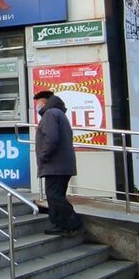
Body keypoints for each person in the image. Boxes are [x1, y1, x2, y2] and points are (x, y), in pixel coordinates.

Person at [34, 89, 84, 235]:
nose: (37, 106)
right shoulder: (59, 114)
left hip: (55, 165)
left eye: (37, 103)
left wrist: (43, 156)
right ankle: (62, 225)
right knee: (56, 196)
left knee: (54, 196)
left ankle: (73, 224)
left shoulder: (50, 114)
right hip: (62, 165)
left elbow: (51, 139)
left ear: (44, 102)